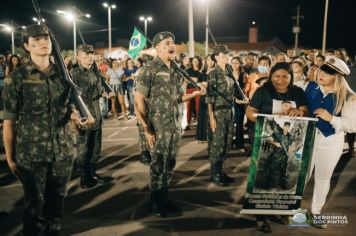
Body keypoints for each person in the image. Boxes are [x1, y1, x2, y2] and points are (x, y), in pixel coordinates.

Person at [1, 24, 91, 236]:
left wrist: (74, 114)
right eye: (37, 40)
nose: (43, 43)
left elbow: (66, 104)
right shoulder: (16, 78)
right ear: (26, 46)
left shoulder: (62, 75)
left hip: (63, 149)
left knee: (57, 201)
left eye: (46, 39)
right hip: (31, 153)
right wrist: (10, 157)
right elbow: (9, 121)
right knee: (35, 204)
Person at [135, 31, 205, 217]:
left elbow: (177, 98)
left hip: (173, 125)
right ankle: (155, 203)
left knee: (170, 163)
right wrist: (146, 130)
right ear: (157, 48)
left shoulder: (175, 70)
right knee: (157, 165)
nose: (171, 45)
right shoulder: (148, 70)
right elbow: (138, 101)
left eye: (172, 42)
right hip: (157, 126)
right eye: (167, 43)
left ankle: (164, 199)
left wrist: (194, 94)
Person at [246, 62, 308, 233]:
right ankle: (260, 217)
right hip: (265, 143)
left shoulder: (297, 92)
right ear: (271, 76)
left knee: (283, 179)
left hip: (286, 149)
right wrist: (267, 118)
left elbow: (305, 111)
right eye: (276, 76)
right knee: (263, 178)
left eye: (285, 76)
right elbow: (249, 113)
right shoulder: (263, 91)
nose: (280, 80)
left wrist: (299, 112)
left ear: (291, 77)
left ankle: (280, 211)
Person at [305, 56, 356, 228]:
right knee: (300, 176)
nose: (323, 73)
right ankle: (289, 208)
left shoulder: (349, 96)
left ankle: (316, 213)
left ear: (338, 76)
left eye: (330, 72)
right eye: (323, 69)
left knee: (322, 179)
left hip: (331, 141)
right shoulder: (310, 87)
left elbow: (352, 126)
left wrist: (332, 118)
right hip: (307, 137)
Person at [72, 44, 113, 189]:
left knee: (95, 148)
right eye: (86, 55)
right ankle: (84, 177)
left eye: (91, 55)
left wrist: (105, 92)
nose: (90, 57)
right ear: (78, 57)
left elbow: (98, 91)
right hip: (84, 117)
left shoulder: (95, 72)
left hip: (96, 115)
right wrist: (75, 117)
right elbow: (71, 98)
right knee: (84, 148)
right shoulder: (74, 74)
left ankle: (92, 173)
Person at [206, 45, 236, 186]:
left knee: (227, 142)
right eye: (222, 54)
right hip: (218, 112)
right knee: (217, 143)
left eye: (226, 54)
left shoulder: (228, 71)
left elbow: (231, 92)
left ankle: (220, 171)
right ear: (216, 57)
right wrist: (211, 117)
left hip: (229, 111)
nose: (226, 56)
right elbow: (209, 97)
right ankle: (215, 174)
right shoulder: (213, 73)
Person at [196, 54, 215, 143]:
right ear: (205, 62)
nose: (209, 62)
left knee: (211, 116)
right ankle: (201, 137)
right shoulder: (202, 72)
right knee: (202, 116)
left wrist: (207, 84)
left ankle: (211, 136)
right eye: (208, 60)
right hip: (203, 96)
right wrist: (203, 85)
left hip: (213, 97)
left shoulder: (216, 72)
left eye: (211, 60)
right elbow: (198, 83)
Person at [231, 56, 248, 151]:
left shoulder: (244, 75)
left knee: (239, 124)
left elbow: (245, 89)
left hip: (240, 102)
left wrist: (244, 99)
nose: (234, 65)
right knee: (229, 124)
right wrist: (233, 99)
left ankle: (239, 144)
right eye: (232, 63)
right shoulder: (228, 74)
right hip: (230, 101)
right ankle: (229, 144)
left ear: (240, 64)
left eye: (236, 63)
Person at [186, 56, 203, 130]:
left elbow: (199, 81)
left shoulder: (201, 71)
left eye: (197, 61)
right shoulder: (188, 70)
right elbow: (186, 80)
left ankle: (199, 123)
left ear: (199, 62)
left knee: (198, 107)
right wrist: (195, 80)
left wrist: (191, 79)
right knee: (189, 107)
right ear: (192, 62)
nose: (195, 62)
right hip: (189, 90)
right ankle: (188, 124)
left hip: (198, 90)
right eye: (194, 61)